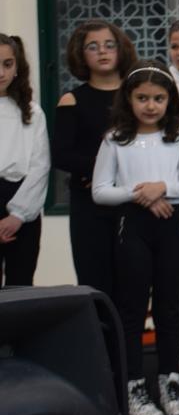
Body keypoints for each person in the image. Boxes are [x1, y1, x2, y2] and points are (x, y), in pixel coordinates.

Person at [92, 61, 179, 415]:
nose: (150, 106)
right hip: (133, 227)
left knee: (168, 307)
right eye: (142, 98)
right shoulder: (115, 139)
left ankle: (170, 383)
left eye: (158, 99)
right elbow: (100, 191)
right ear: (128, 99)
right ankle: (134, 386)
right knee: (133, 309)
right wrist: (142, 195)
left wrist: (162, 188)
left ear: (170, 101)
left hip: (171, 228)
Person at [53, 19, 137, 298]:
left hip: (132, 201)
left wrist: (115, 176)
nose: (102, 51)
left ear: (121, 49)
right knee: (95, 283)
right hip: (89, 205)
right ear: (81, 54)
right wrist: (103, 172)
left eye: (109, 45)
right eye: (93, 46)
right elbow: (61, 155)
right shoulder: (71, 100)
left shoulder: (137, 97)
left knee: (132, 284)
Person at [0, 34, 49, 287]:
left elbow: (40, 166)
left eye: (7, 64)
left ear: (17, 66)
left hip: (21, 199)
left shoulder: (31, 112)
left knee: (20, 285)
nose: (1, 73)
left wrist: (18, 215)